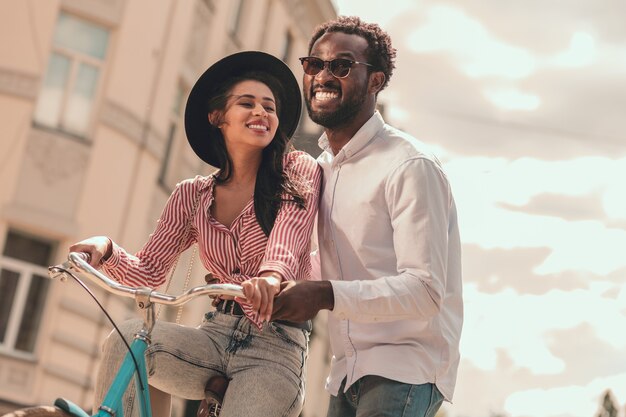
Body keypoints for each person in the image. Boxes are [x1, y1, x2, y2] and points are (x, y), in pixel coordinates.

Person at [70, 51, 321, 417]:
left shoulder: (297, 169)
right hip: (212, 335)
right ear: (217, 117)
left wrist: (271, 276)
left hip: (276, 348)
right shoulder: (191, 194)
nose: (261, 113)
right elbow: (149, 272)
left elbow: (289, 234)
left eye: (269, 106)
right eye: (247, 103)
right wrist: (105, 249)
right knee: (126, 339)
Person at [272, 16, 463, 417]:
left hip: (404, 368)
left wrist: (324, 294)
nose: (323, 75)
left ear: (376, 81)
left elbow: (425, 290)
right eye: (314, 64)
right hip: (346, 370)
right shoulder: (318, 169)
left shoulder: (410, 166)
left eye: (341, 66)